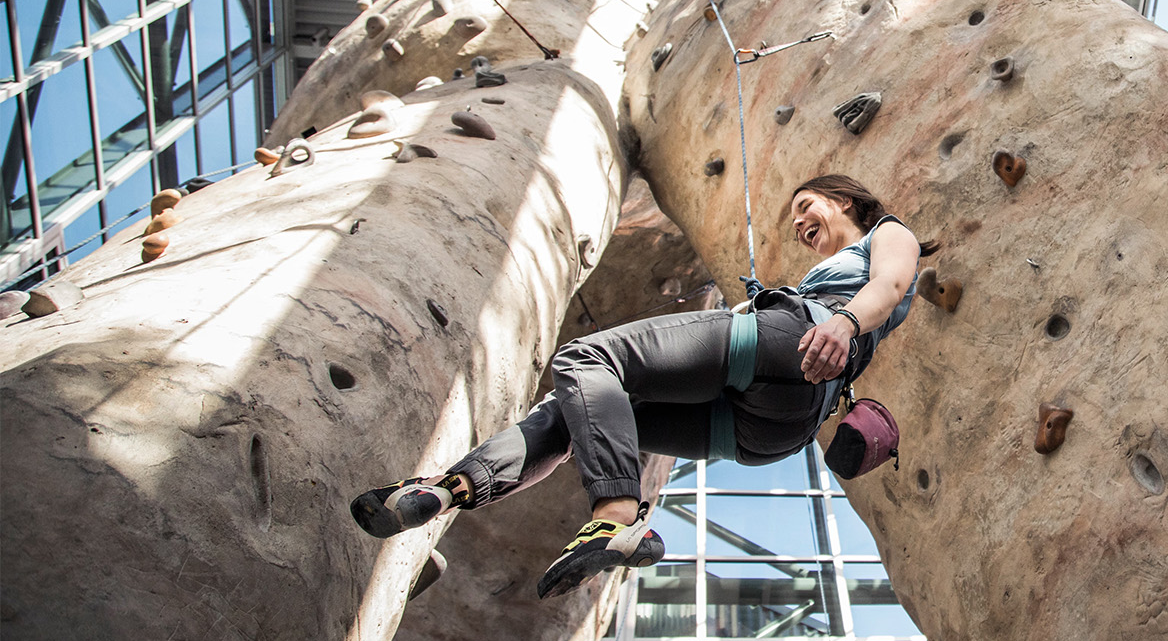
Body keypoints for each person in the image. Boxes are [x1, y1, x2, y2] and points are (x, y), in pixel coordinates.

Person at [348, 174, 934, 597]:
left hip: (792, 346)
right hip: (773, 430)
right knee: (582, 412)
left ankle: (617, 513)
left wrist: (846, 320)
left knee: (587, 357)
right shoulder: (833, 270)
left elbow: (891, 280)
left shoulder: (888, 231)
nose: (803, 222)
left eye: (809, 207)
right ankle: (449, 488)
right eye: (797, 218)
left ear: (846, 200)